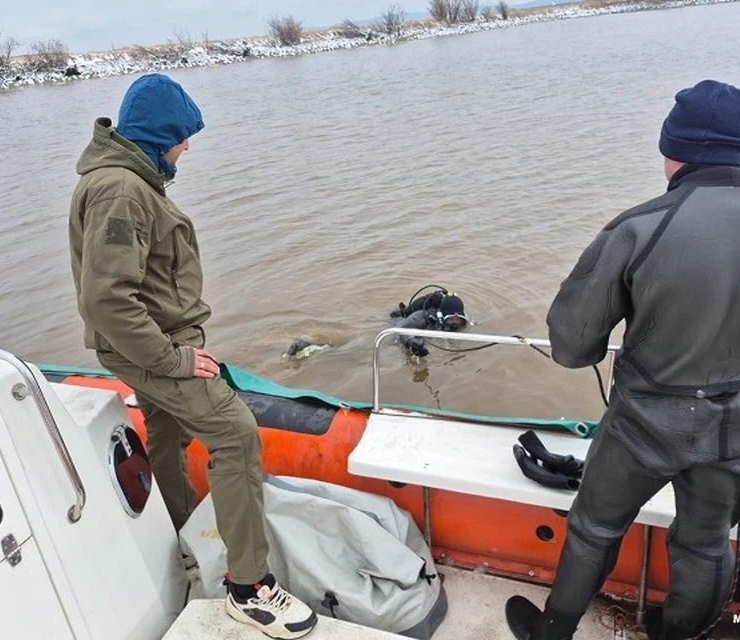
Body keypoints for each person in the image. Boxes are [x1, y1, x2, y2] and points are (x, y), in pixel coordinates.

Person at [514, 80, 740, 640]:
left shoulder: (638, 227)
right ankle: (685, 635)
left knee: (595, 528)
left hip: (645, 424)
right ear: (738, 148)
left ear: (671, 149)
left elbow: (571, 345)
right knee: (707, 541)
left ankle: (553, 633)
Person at [68, 73, 317, 639]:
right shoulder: (121, 190)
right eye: (183, 135)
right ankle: (249, 589)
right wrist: (175, 360)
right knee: (234, 432)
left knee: (167, 431)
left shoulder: (130, 179)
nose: (189, 146)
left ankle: (181, 535)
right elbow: (107, 301)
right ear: (160, 136)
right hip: (151, 349)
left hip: (155, 344)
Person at [282, 287, 470, 360]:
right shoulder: (422, 316)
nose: (455, 323)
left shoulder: (461, 322)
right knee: (350, 352)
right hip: (387, 335)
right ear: (439, 316)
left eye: (458, 320)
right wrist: (412, 342)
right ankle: (306, 345)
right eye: (450, 320)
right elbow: (401, 330)